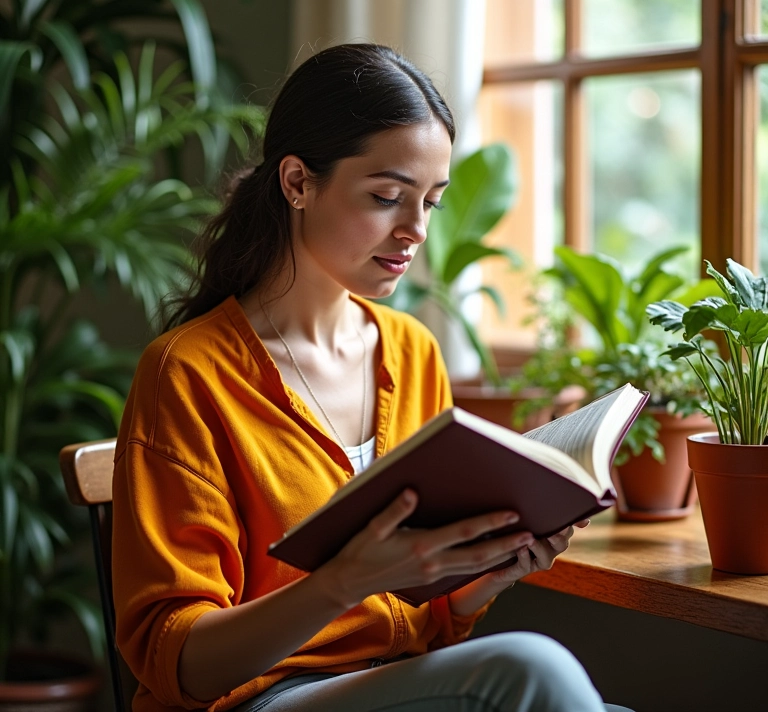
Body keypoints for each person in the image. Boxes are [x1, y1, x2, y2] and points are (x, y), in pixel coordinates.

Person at [112, 43, 631, 712]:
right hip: (261, 699)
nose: (415, 230)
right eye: (387, 197)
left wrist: (487, 575)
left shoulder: (411, 352)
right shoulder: (188, 373)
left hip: (393, 686)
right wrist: (340, 582)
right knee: (529, 670)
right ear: (297, 183)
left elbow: (424, 623)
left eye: (431, 203)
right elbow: (179, 664)